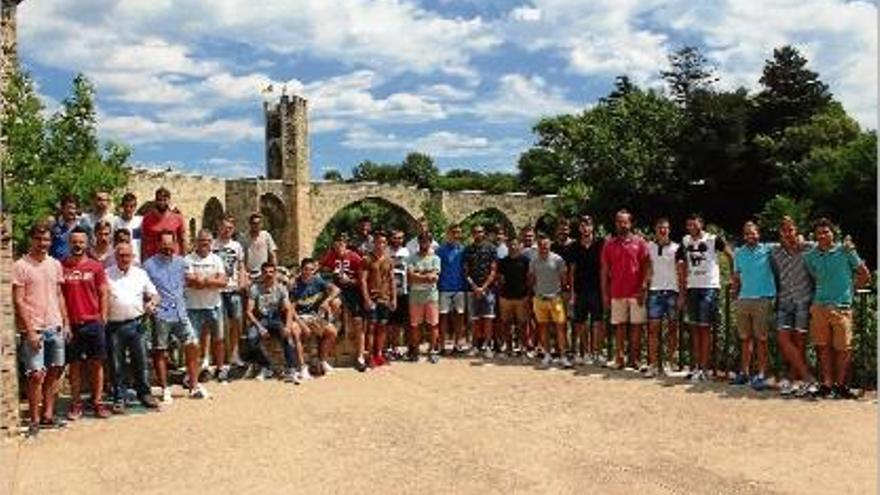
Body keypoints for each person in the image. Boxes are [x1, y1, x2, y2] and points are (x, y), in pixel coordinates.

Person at [803, 218, 870, 399]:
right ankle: (826, 385)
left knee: (843, 349)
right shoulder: (810, 256)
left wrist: (851, 290)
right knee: (822, 347)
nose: (823, 235)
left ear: (833, 233)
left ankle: (841, 386)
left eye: (826, 232)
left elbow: (864, 274)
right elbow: (813, 275)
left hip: (842, 308)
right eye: (819, 233)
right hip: (819, 306)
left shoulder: (846, 251)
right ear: (815, 236)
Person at [13, 223, 70, 436]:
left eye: (46, 239)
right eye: (39, 239)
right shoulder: (21, 266)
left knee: (55, 371)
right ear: (31, 239)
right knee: (35, 374)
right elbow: (18, 301)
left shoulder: (55, 264)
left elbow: (59, 294)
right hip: (34, 328)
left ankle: (48, 415)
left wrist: (65, 322)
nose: (43, 243)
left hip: (54, 325)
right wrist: (30, 330)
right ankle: (34, 419)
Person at [143, 230, 209, 401]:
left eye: (170, 245)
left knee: (193, 345)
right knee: (160, 351)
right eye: (164, 246)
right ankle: (165, 389)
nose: (168, 249)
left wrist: (201, 278)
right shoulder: (149, 265)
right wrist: (149, 305)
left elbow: (189, 278)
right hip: (161, 313)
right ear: (158, 245)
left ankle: (193, 385)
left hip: (180, 311)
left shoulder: (181, 262)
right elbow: (144, 289)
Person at [60, 226, 111, 420]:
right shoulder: (62, 266)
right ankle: (76, 403)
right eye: (74, 242)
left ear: (87, 243)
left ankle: (97, 402)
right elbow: (59, 296)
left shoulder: (95, 266)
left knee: (96, 363)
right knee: (74, 365)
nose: (77, 245)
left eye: (81, 242)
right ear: (69, 243)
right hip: (72, 324)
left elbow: (103, 291)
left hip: (93, 322)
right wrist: (64, 320)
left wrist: (103, 316)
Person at [105, 241, 160, 413]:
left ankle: (144, 393)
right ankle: (119, 397)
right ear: (115, 256)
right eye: (121, 255)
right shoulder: (106, 274)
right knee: (116, 363)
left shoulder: (140, 274)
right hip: (114, 325)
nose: (124, 259)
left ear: (133, 256)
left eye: (127, 255)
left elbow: (155, 294)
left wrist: (152, 302)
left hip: (137, 323)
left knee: (141, 361)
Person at [678, 213, 732, 382]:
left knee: (705, 329)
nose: (692, 227)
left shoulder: (713, 239)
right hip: (692, 287)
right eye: (689, 225)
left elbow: (730, 254)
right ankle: (696, 367)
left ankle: (704, 368)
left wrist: (733, 277)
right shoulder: (685, 241)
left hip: (709, 287)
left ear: (701, 224)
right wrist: (682, 286)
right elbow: (680, 262)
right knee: (694, 329)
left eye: (694, 224)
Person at [770, 217, 816, 396]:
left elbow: (823, 246)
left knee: (800, 342)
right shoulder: (774, 252)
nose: (788, 234)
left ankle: (792, 379)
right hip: (784, 300)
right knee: (783, 339)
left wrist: (803, 241)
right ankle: (807, 377)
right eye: (785, 231)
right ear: (780, 233)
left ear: (796, 231)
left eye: (791, 230)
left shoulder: (808, 248)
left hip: (804, 300)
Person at [729, 221, 777, 390]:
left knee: (762, 339)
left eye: (753, 233)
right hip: (743, 299)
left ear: (759, 234)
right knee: (744, 338)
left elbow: (791, 244)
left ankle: (762, 374)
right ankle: (744, 373)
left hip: (763, 299)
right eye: (747, 233)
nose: (751, 236)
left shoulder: (769, 249)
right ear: (744, 236)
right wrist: (734, 292)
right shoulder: (738, 253)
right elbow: (736, 275)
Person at [601, 210, 651, 370]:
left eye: (625, 222)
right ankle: (620, 358)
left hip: (636, 292)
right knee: (620, 326)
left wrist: (644, 287)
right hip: (617, 291)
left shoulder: (640, 242)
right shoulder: (609, 244)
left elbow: (647, 266)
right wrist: (605, 293)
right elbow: (604, 270)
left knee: (637, 326)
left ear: (630, 223)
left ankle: (635, 360)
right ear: (615, 223)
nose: (622, 225)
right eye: (619, 222)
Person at [185, 229, 229, 382]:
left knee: (219, 339)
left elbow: (223, 282)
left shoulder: (216, 259)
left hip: (214, 305)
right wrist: (211, 280)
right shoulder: (189, 259)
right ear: (197, 242)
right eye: (202, 240)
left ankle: (220, 368)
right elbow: (190, 281)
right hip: (193, 307)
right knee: (193, 342)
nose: (205, 244)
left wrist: (203, 281)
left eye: (208, 241)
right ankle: (192, 371)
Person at [245, 262, 300, 382]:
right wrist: (259, 327)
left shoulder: (280, 288)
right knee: (251, 338)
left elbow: (289, 308)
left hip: (275, 318)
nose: (268, 274)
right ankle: (266, 366)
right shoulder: (255, 288)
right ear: (262, 273)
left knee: (286, 336)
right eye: (265, 272)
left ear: (275, 273)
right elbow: (248, 311)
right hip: (261, 320)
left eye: (271, 272)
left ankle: (292, 369)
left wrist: (287, 326)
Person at [320, 233, 367, 371]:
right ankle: (337, 328)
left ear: (345, 244)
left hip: (353, 291)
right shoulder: (331, 255)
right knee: (334, 304)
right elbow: (320, 265)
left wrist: (351, 281)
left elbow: (363, 278)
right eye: (336, 244)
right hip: (338, 290)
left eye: (341, 243)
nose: (338, 246)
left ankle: (360, 356)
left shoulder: (354, 257)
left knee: (358, 322)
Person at [290, 258, 339, 375]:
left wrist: (327, 301)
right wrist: (302, 325)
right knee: (295, 332)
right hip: (299, 317)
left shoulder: (317, 281)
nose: (308, 272)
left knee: (332, 332)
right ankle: (302, 367)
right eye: (306, 269)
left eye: (311, 270)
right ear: (301, 270)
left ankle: (323, 361)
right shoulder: (295, 284)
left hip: (314, 317)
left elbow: (336, 290)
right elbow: (291, 309)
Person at [646, 218, 681, 376]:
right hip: (655, 291)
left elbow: (682, 271)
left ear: (669, 230)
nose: (663, 230)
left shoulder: (677, 248)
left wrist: (682, 292)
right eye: (660, 228)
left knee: (673, 328)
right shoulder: (649, 247)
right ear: (655, 229)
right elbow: (647, 268)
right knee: (653, 329)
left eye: (665, 228)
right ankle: (653, 364)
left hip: (672, 292)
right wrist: (644, 287)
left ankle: (671, 361)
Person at [568, 215, 606, 366]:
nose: (585, 228)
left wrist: (605, 291)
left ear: (593, 227)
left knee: (598, 322)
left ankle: (597, 352)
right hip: (580, 290)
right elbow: (572, 270)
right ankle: (585, 352)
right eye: (583, 225)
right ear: (579, 228)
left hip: (597, 289)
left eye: (588, 225)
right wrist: (572, 293)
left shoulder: (601, 244)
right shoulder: (574, 246)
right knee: (580, 323)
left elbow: (605, 268)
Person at [529, 234, 571, 368]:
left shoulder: (558, 260)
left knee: (560, 328)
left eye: (546, 245)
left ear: (550, 245)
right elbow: (531, 279)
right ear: (538, 246)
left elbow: (564, 279)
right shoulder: (533, 261)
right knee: (543, 328)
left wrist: (564, 294)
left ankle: (563, 356)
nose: (543, 248)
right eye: (541, 245)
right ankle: (547, 354)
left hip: (555, 298)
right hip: (540, 298)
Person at [213, 215, 248, 367]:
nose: (227, 231)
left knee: (236, 322)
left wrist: (241, 282)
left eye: (230, 228)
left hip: (233, 289)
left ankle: (234, 354)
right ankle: (217, 357)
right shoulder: (212, 244)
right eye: (224, 227)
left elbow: (240, 266)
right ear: (219, 227)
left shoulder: (237, 246)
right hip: (216, 290)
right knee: (217, 324)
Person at [361, 230, 396, 368]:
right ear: (373, 243)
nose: (380, 245)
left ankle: (379, 354)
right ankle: (369, 355)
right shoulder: (367, 259)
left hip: (385, 298)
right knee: (371, 327)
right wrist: (367, 299)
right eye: (378, 242)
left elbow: (392, 280)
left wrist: (394, 299)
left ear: (386, 244)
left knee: (382, 327)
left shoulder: (389, 260)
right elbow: (363, 280)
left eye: (383, 242)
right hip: (373, 297)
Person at [463, 224, 498, 358]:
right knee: (475, 319)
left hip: (488, 290)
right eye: (475, 232)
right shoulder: (468, 250)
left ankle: (488, 346)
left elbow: (493, 269)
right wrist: (474, 287)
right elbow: (466, 271)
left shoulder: (491, 249)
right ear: (472, 234)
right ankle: (475, 345)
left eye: (480, 232)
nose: (478, 234)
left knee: (488, 318)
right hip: (473, 289)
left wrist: (484, 287)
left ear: (484, 233)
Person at [407, 233, 442, 363]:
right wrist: (426, 276)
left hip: (431, 296)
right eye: (422, 241)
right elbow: (410, 277)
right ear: (419, 242)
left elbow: (435, 277)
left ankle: (432, 350)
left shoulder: (436, 258)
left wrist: (419, 275)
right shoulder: (411, 258)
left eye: (427, 241)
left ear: (430, 242)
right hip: (415, 295)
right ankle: (415, 351)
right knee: (415, 325)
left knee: (433, 324)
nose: (424, 243)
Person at [497, 237, 530, 358]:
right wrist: (501, 294)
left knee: (522, 324)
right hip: (505, 297)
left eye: (515, 244)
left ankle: (523, 348)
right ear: (507, 246)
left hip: (522, 297)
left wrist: (527, 294)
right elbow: (500, 279)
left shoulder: (526, 261)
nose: (513, 247)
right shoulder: (503, 261)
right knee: (506, 324)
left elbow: (529, 279)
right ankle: (509, 348)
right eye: (510, 245)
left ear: (520, 245)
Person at [436, 224, 467, 353]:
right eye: (454, 232)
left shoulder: (463, 250)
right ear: (448, 233)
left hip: (459, 288)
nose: (456, 235)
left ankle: (457, 344)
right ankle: (442, 345)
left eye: (458, 232)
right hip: (444, 288)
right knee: (443, 318)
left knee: (459, 317)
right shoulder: (440, 251)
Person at [141, 187, 186, 261]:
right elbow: (144, 241)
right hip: (153, 261)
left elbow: (182, 240)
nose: (162, 202)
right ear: (155, 201)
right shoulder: (147, 219)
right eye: (159, 200)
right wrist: (143, 259)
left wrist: (184, 259)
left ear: (169, 201)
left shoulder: (178, 218)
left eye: (165, 200)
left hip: (173, 260)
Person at [387, 228, 410, 360]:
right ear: (391, 238)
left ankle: (397, 347)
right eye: (395, 238)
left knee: (400, 322)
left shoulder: (407, 252)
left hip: (404, 290)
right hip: (388, 291)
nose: (397, 240)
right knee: (388, 322)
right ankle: (388, 347)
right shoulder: (385, 251)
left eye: (400, 238)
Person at [49, 195, 90, 260]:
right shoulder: (54, 225)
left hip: (77, 264)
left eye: (73, 208)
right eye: (68, 208)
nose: (71, 211)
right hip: (57, 263)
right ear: (62, 208)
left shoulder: (83, 224)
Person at [242, 212, 278, 276]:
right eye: (254, 223)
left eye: (258, 223)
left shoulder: (266, 235)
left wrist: (274, 270)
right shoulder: (244, 238)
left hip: (263, 272)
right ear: (250, 224)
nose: (256, 225)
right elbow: (241, 257)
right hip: (249, 273)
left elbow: (272, 254)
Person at [113, 192, 143, 265]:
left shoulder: (140, 221)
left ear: (135, 207)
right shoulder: (115, 221)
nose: (128, 209)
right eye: (126, 206)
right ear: (122, 206)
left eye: (131, 206)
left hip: (137, 262)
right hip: (120, 260)